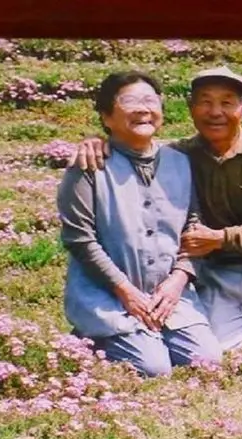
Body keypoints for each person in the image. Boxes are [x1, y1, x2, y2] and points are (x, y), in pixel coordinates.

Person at [70, 66, 242, 360]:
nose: (215, 111)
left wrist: (220, 238)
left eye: (227, 102)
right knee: (215, 353)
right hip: (217, 271)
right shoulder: (181, 155)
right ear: (191, 109)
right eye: (205, 102)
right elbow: (136, 144)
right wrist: (98, 140)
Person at [57, 71, 221, 377]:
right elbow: (80, 240)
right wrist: (126, 292)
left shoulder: (181, 160)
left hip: (169, 296)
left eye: (150, 100)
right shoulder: (87, 166)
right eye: (129, 101)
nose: (143, 109)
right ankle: (91, 336)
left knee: (208, 361)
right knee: (154, 368)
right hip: (108, 296)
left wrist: (179, 280)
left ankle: (153, 331)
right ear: (106, 116)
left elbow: (193, 226)